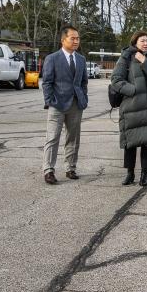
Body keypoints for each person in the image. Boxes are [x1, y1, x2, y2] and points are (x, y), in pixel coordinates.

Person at [111, 30, 147, 186]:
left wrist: (144, 61)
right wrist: (133, 90)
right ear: (135, 42)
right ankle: (130, 173)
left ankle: (144, 173)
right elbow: (116, 79)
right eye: (142, 40)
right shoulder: (126, 56)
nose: (145, 43)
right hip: (132, 106)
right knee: (131, 141)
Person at [41, 25, 88, 184]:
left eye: (78, 38)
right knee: (52, 137)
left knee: (73, 138)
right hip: (57, 104)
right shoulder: (52, 58)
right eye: (72, 38)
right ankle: (48, 170)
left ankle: (71, 168)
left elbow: (83, 82)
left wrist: (84, 98)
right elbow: (47, 82)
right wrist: (50, 101)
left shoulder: (81, 59)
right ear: (63, 40)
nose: (76, 41)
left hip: (76, 104)